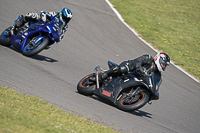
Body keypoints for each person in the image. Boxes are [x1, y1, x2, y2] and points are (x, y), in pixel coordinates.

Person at [90, 52, 170, 82]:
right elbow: (138, 62)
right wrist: (141, 70)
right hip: (130, 69)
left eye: (165, 65)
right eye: (163, 64)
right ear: (158, 59)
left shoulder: (157, 74)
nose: (163, 66)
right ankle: (104, 74)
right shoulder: (148, 58)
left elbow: (156, 83)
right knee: (125, 68)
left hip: (136, 79)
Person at [6, 7, 72, 42]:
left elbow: (62, 34)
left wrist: (59, 38)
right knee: (31, 15)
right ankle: (15, 26)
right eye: (65, 18)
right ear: (61, 14)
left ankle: (36, 42)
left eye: (68, 19)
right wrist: (44, 19)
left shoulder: (65, 26)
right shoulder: (55, 14)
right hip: (42, 23)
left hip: (50, 32)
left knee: (51, 42)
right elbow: (44, 13)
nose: (66, 20)